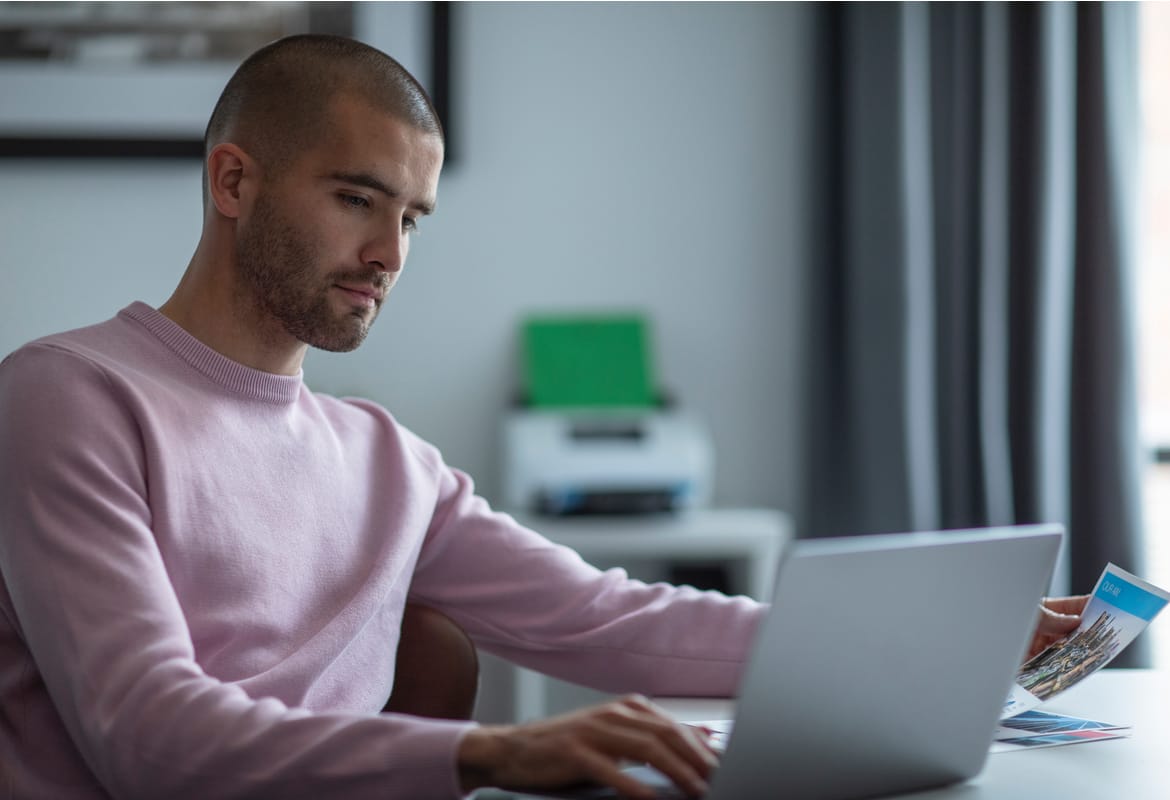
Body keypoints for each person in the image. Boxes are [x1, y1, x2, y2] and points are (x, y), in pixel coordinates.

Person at [0, 35, 1086, 800]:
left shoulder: (386, 458)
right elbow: (149, 737)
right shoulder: (68, 397)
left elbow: (607, 618)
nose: (390, 255)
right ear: (234, 181)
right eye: (355, 198)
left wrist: (937, 639)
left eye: (413, 216)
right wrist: (488, 754)